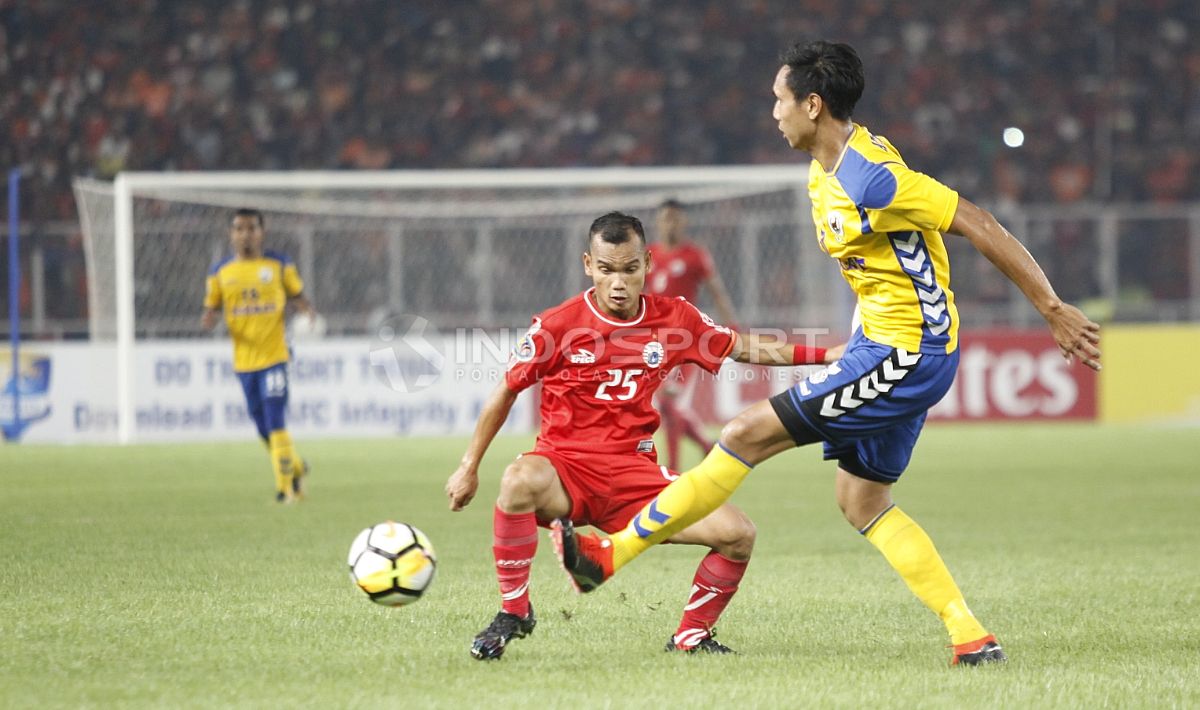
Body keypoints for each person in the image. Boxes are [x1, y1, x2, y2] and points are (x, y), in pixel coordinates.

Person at [551, 41, 1102, 666]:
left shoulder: (871, 177)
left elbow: (977, 222)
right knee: (861, 501)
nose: (774, 112)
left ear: (813, 105)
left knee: (744, 433)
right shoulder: (826, 171)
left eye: (780, 100)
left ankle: (608, 555)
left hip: (907, 352)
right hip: (890, 343)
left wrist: (1052, 309)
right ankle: (970, 636)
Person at [444, 211, 836, 660]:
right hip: (565, 472)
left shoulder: (676, 319)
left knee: (737, 534)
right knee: (517, 480)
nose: (618, 282)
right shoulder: (557, 325)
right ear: (588, 265)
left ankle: (691, 636)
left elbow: (743, 347)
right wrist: (468, 467)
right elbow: (505, 391)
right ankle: (514, 611)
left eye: (630, 269)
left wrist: (827, 355)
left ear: (647, 264)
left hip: (635, 478)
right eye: (607, 269)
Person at [201, 208, 316, 503]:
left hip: (275, 357)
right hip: (244, 362)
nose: (245, 234)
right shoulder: (220, 272)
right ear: (231, 234)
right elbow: (212, 306)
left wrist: (308, 312)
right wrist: (209, 317)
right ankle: (297, 468)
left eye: (251, 228)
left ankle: (286, 489)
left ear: (262, 232)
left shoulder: (279, 265)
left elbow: (297, 295)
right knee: (262, 426)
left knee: (276, 419)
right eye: (239, 229)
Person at [647, 198, 740, 471]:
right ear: (658, 221)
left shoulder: (695, 255)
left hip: (686, 339)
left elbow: (716, 290)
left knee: (668, 399)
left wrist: (731, 327)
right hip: (653, 343)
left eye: (675, 218)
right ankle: (706, 446)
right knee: (665, 405)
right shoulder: (649, 255)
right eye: (666, 218)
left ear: (684, 222)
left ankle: (673, 469)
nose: (670, 224)